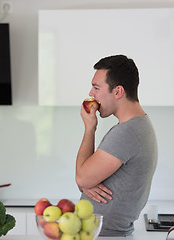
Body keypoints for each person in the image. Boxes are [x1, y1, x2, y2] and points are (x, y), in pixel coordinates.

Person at [75, 55, 158, 236]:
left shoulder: (127, 132)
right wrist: (87, 181)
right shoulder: (137, 126)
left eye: (96, 88)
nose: (91, 93)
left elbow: (81, 178)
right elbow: (84, 180)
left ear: (118, 91)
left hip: (106, 235)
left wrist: (90, 129)